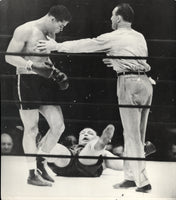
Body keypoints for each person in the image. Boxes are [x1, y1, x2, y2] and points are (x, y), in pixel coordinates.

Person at [36, 3, 153, 192]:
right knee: (137, 133)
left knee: (132, 136)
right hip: (146, 83)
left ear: (118, 18)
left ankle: (143, 182)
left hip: (129, 83)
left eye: (112, 16)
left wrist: (56, 46)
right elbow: (136, 58)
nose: (110, 20)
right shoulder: (139, 36)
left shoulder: (115, 36)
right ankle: (131, 177)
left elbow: (87, 44)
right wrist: (116, 60)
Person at [5, 5, 71, 186]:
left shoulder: (51, 35)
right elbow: (9, 57)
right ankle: (31, 173)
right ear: (52, 19)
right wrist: (31, 66)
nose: (61, 29)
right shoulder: (25, 29)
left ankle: (41, 161)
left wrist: (57, 72)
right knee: (32, 129)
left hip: (44, 82)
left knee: (58, 126)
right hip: (26, 81)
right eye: (61, 25)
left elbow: (45, 59)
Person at [46, 124, 123, 177]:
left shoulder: (103, 153)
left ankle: (100, 143)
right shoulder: (70, 147)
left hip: (87, 165)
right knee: (58, 148)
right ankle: (44, 145)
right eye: (82, 133)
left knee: (91, 147)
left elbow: (121, 164)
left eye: (90, 133)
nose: (85, 134)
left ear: (97, 137)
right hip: (65, 163)